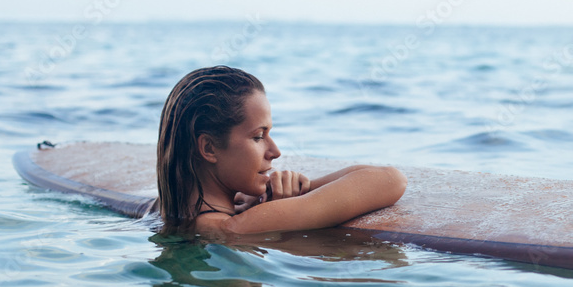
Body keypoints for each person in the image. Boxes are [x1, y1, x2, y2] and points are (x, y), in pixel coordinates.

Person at [156, 66, 406, 234]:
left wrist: (262, 198)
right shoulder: (236, 228)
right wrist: (291, 197)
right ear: (209, 148)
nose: (275, 151)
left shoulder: (165, 209)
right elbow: (391, 180)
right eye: (258, 137)